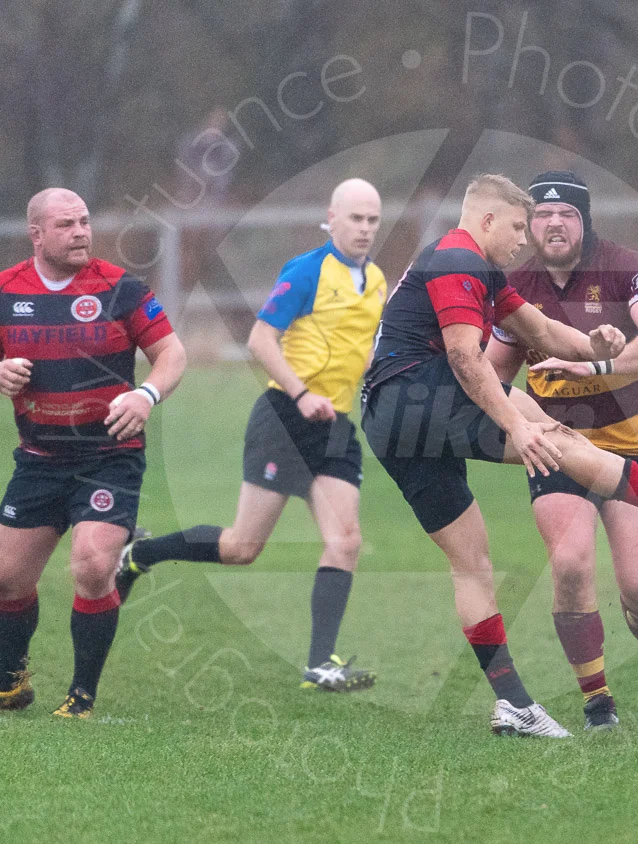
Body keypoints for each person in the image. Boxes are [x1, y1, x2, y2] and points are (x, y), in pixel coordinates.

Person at [361, 174, 638, 738]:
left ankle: (514, 704)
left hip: (387, 422)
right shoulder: (459, 258)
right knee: (559, 439)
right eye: (516, 227)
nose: (522, 240)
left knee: (472, 562)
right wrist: (516, 424)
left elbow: (543, 330)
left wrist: (596, 348)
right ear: (486, 221)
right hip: (421, 396)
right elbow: (463, 356)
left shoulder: (479, 268)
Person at [116, 178, 386, 692]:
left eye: (373, 220)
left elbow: (359, 350)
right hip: (285, 418)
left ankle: (319, 664)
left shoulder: (375, 281)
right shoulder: (307, 271)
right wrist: (302, 393)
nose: (365, 228)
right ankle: (139, 556)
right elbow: (261, 340)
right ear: (332, 217)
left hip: (335, 429)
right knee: (243, 547)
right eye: (356, 218)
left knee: (346, 541)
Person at [0, 188, 186, 719]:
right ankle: (9, 685)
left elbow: (172, 353)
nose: (81, 232)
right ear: (36, 234)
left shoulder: (122, 288)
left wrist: (146, 395)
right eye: (66, 225)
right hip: (39, 458)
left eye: (84, 221)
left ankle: (81, 696)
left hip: (110, 456)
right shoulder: (2, 291)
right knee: (7, 578)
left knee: (93, 565)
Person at [486, 171, 638, 731]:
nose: (554, 224)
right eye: (543, 215)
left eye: (567, 215)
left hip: (635, 449)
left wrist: (600, 363)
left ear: (585, 221)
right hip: (559, 447)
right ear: (528, 224)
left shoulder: (625, 267)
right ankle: (598, 700)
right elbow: (493, 375)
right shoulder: (514, 284)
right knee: (571, 564)